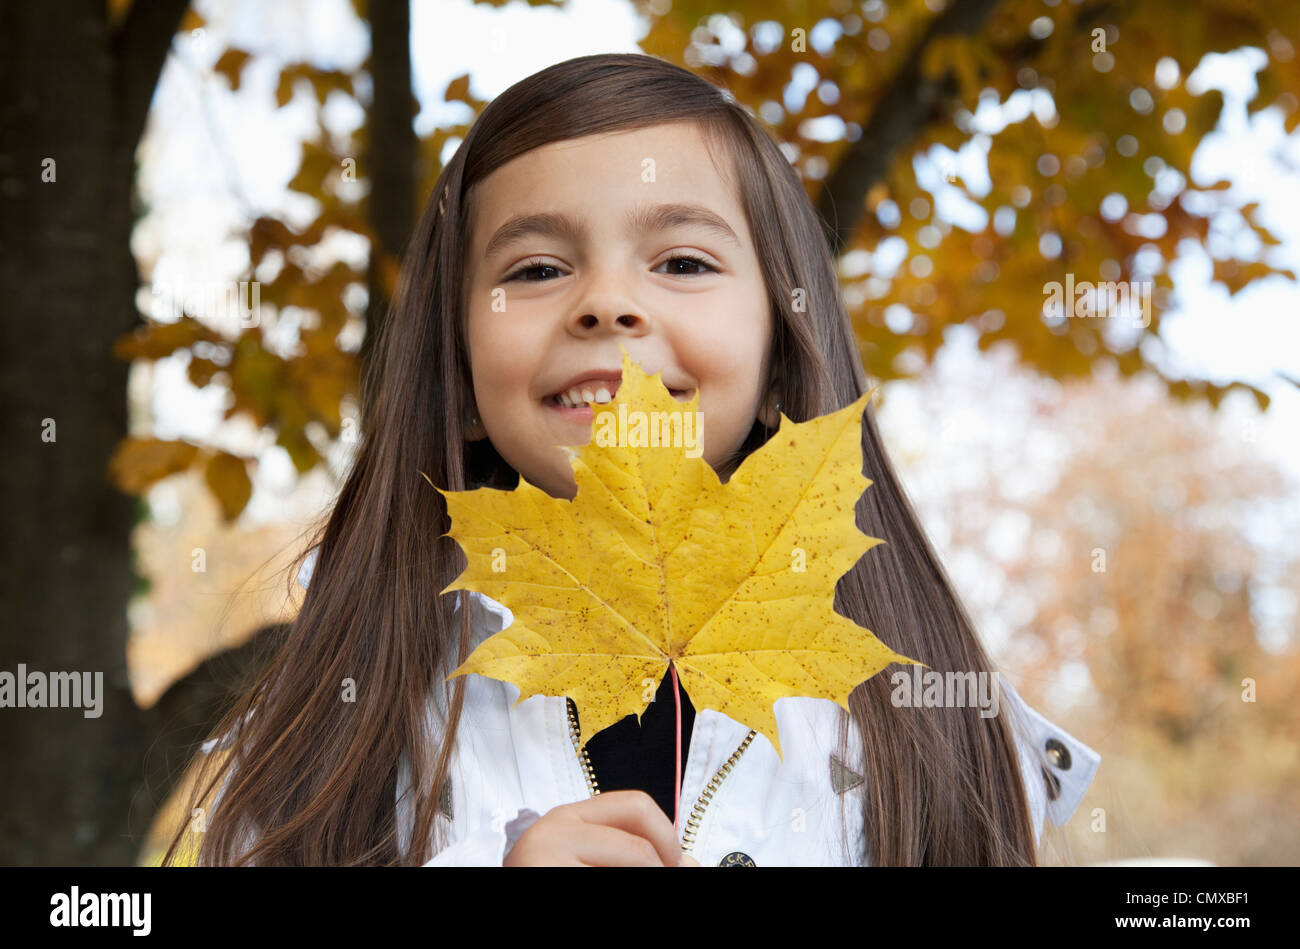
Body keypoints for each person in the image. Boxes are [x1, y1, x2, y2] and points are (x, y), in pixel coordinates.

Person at [162, 52, 1100, 867]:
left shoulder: (931, 723)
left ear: (782, 354)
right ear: (459, 379)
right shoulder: (350, 720)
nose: (607, 303)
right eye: (535, 269)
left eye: (683, 262)